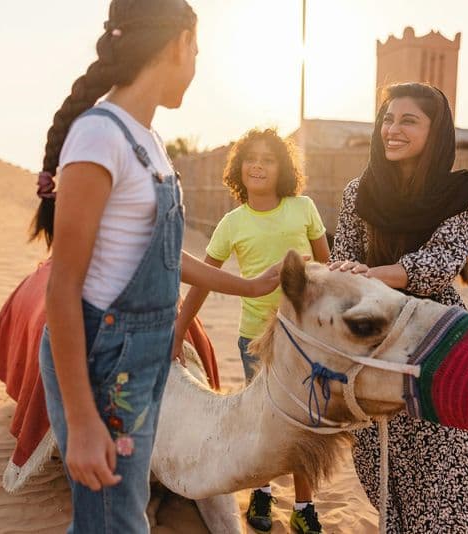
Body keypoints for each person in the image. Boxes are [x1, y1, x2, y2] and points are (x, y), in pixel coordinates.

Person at [31, 2, 280, 532]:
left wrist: (249, 285)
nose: (196, 66)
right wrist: (81, 420)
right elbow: (62, 287)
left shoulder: (150, 140)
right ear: (179, 43)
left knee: (119, 512)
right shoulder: (100, 137)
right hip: (103, 363)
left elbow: (164, 256)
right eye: (197, 50)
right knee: (113, 520)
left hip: (144, 362)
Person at [329, 82, 468, 533]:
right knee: (381, 460)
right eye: (388, 119)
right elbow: (342, 256)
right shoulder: (358, 192)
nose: (393, 129)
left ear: (435, 131)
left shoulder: (461, 195)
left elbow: (439, 264)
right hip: (372, 333)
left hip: (435, 333)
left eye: (409, 120)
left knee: (453, 459)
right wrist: (347, 273)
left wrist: (371, 274)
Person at [173, 128, 330, 533]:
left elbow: (326, 267)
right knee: (265, 419)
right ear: (239, 168)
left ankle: (303, 506)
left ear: (283, 168)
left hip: (305, 338)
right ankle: (262, 492)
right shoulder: (232, 223)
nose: (258, 165)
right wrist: (179, 329)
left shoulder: (304, 209)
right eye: (251, 158)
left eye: (269, 159)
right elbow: (202, 280)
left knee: (304, 420)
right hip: (256, 340)